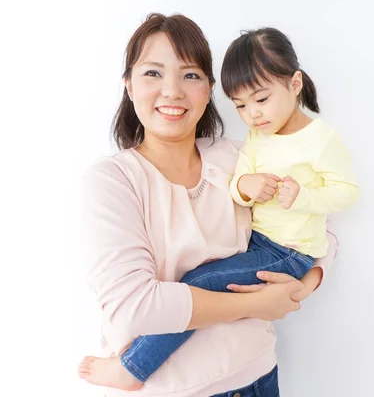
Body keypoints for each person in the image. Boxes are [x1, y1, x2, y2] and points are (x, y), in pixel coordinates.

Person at [80, 23, 359, 391]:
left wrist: (302, 286)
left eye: (190, 74)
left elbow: (317, 231)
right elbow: (136, 307)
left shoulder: (237, 155)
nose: (172, 90)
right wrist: (256, 305)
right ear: (129, 84)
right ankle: (132, 370)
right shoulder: (114, 179)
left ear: (209, 90)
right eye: (153, 72)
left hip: (258, 377)